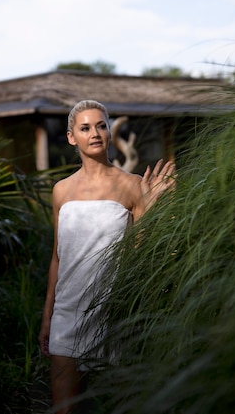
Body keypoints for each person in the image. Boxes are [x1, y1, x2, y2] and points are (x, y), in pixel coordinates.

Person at [38, 100, 176, 413]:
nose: (95, 133)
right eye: (85, 128)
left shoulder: (131, 185)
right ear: (72, 137)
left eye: (101, 125)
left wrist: (150, 211)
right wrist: (47, 317)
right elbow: (58, 257)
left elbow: (139, 254)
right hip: (67, 312)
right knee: (64, 408)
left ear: (109, 132)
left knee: (114, 405)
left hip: (114, 312)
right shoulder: (61, 191)